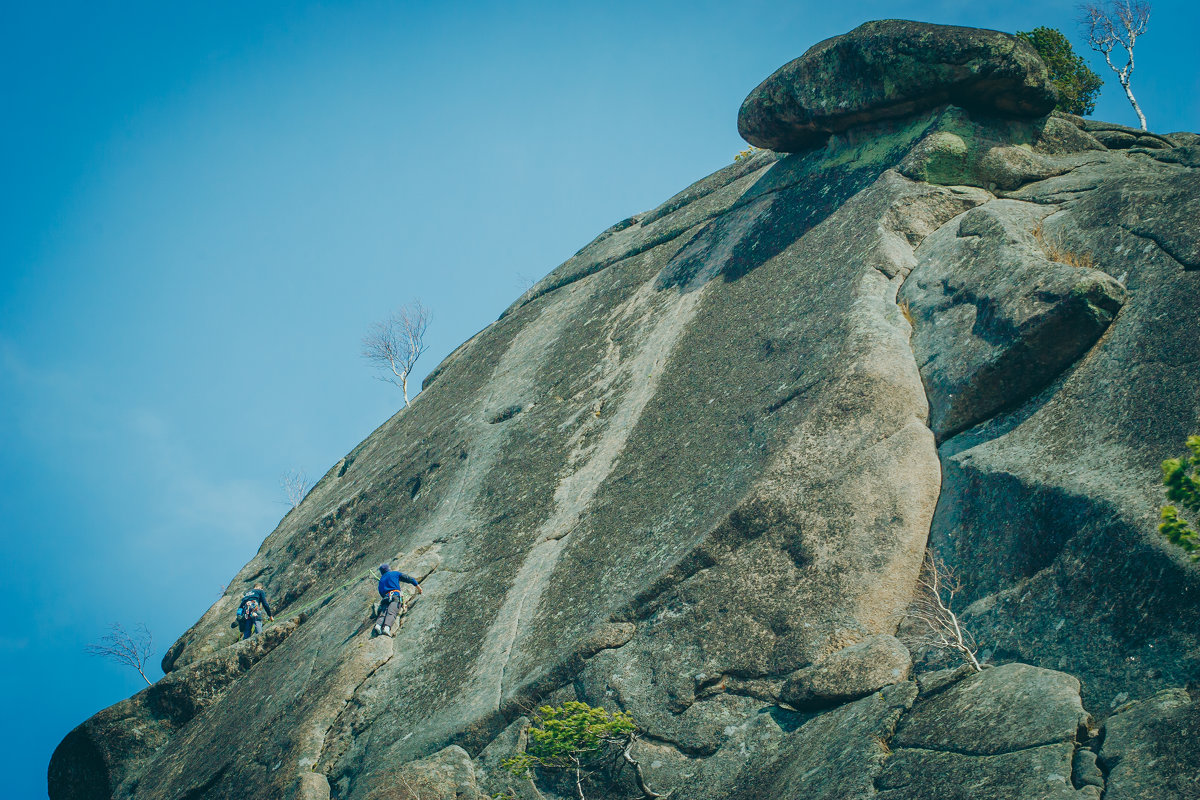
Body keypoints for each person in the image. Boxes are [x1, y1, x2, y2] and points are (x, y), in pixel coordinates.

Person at [374, 563, 421, 636]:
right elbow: (409, 579)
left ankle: (378, 625)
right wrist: (418, 588)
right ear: (389, 568)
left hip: (386, 597)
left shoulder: (381, 580)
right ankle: (386, 628)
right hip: (395, 595)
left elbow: (380, 591)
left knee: (384, 611)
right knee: (392, 612)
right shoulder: (395, 573)